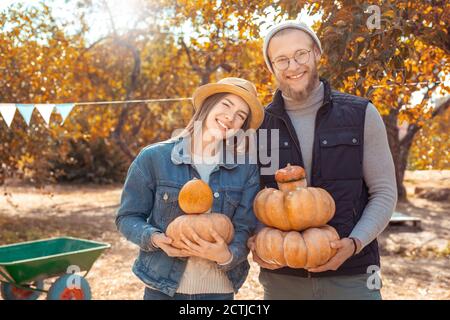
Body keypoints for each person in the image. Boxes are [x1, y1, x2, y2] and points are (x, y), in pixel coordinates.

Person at [248, 20, 398, 300]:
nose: (292, 66)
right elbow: (253, 196)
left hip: (355, 274)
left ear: (317, 52)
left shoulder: (361, 114)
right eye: (281, 59)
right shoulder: (258, 126)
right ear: (271, 67)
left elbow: (384, 192)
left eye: (300, 54)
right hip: (282, 278)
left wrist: (354, 244)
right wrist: (259, 241)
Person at [116, 77, 264, 300]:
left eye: (240, 115)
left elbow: (244, 228)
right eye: (226, 105)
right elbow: (127, 217)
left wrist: (226, 255)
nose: (230, 118)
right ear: (208, 104)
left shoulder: (246, 169)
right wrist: (156, 239)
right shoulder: (154, 158)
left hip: (218, 291)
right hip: (162, 288)